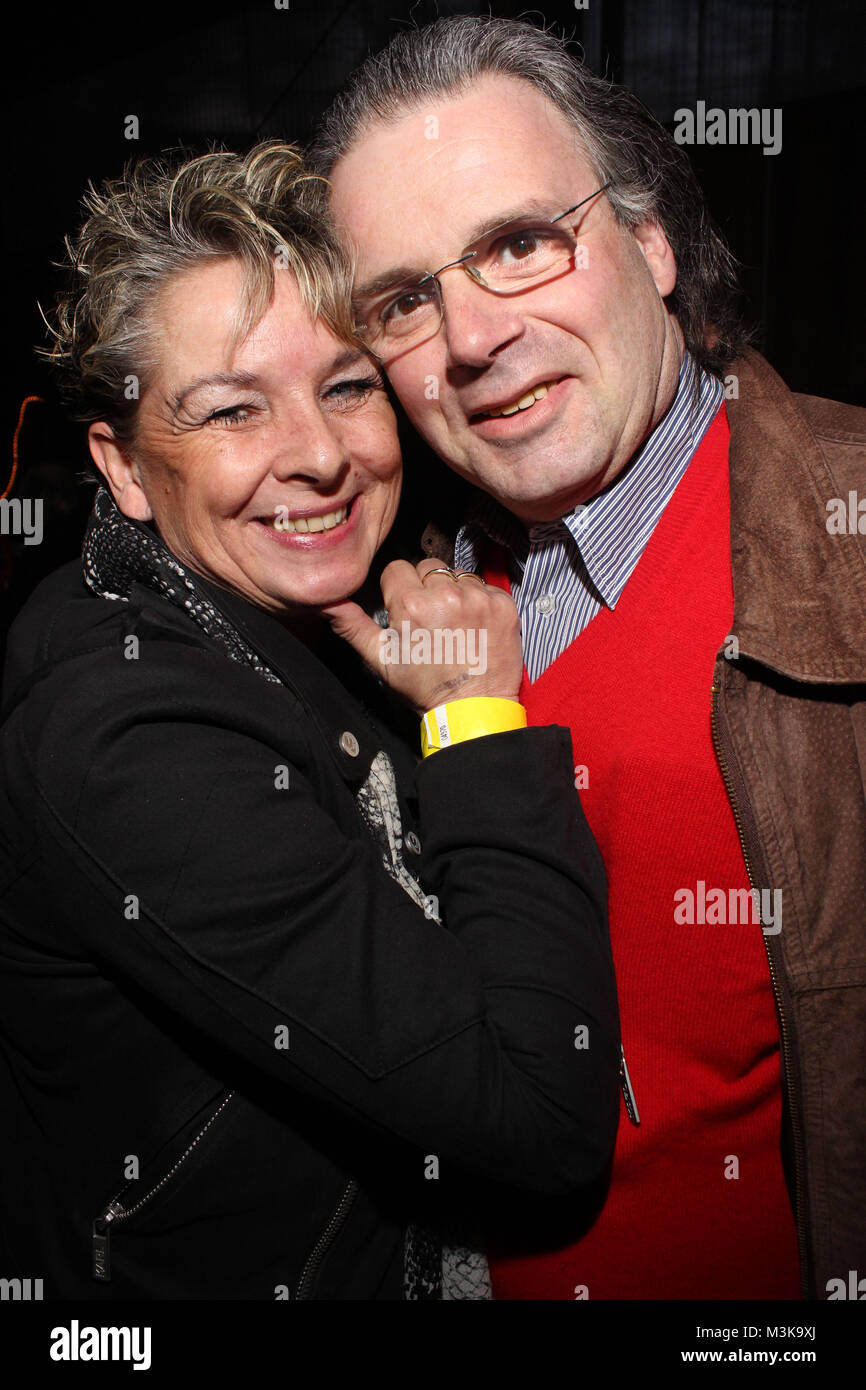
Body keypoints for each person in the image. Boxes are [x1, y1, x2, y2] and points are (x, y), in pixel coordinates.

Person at [0, 142, 621, 1301]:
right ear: (125, 466)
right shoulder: (126, 736)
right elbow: (538, 1118)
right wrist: (477, 717)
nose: (324, 455)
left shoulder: (281, 605)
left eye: (345, 386)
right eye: (234, 409)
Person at [310, 14, 866, 1300]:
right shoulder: (376, 594)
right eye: (403, 300)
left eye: (516, 243)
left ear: (653, 241)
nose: (467, 340)